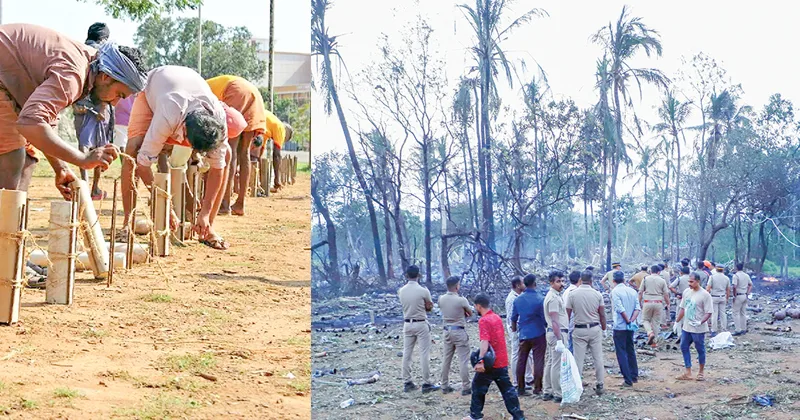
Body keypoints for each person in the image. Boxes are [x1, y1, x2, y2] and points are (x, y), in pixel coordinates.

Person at [0, 23, 146, 197]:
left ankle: (11, 219)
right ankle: (5, 221)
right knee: (14, 156)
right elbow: (30, 123)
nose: (114, 103)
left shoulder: (89, 67)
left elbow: (43, 122)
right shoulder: (74, 75)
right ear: (106, 77)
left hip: (8, 84)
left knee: (28, 160)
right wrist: (82, 159)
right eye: (119, 94)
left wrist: (60, 168)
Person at [120, 65, 242, 250]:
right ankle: (127, 223)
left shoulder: (219, 120)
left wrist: (205, 212)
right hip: (154, 88)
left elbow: (218, 169)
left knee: (226, 156)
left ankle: (207, 226)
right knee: (133, 150)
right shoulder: (168, 114)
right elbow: (143, 165)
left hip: (186, 90)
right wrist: (166, 205)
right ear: (184, 131)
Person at [206, 75, 270, 216]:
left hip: (237, 92)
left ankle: (224, 203)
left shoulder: (198, 90)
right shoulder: (206, 84)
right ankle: (240, 203)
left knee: (230, 149)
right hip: (254, 94)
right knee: (244, 151)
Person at [465, 293, 525, 420]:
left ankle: (475, 416)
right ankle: (518, 416)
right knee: (507, 390)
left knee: (478, 387)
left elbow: (484, 342)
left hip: (490, 362)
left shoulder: (483, 320)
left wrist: (480, 360)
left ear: (478, 306)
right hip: (502, 360)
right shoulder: (497, 317)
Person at [73, 23, 115, 200]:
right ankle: (95, 188)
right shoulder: (105, 53)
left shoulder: (79, 51)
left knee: (84, 146)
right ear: (104, 38)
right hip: (99, 107)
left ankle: (84, 185)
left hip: (80, 104)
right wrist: (104, 107)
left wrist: (75, 103)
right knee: (100, 147)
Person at [398, 265, 438, 393]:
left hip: (407, 324)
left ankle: (407, 382)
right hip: (420, 323)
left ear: (406, 275)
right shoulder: (423, 291)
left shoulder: (401, 291)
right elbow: (429, 307)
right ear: (418, 275)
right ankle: (426, 383)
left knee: (407, 354)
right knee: (424, 353)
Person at [565, 270, 606, 396]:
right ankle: (600, 384)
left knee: (579, 359)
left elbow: (567, 314)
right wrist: (603, 327)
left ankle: (577, 387)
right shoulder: (597, 294)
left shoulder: (572, 294)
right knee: (598, 358)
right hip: (594, 328)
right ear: (592, 280)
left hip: (579, 329)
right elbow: (602, 314)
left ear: (580, 280)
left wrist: (567, 329)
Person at [510, 274, 546, 396]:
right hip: (538, 333)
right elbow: (544, 317)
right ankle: (537, 388)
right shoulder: (540, 299)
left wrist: (515, 331)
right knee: (538, 360)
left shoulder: (518, 299)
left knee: (521, 360)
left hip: (523, 334)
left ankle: (520, 387)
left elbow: (513, 318)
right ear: (535, 283)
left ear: (524, 284)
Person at [438, 276, 473, 395]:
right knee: (463, 359)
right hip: (459, 331)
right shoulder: (461, 300)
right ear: (457, 286)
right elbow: (470, 313)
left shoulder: (441, 299)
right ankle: (466, 386)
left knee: (446, 359)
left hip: (446, 331)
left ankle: (444, 384)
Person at [675, 272, 713, 381]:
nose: (689, 284)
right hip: (687, 326)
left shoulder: (705, 295)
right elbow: (683, 308)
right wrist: (677, 321)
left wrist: (701, 322)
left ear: (698, 281)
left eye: (692, 282)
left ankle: (701, 372)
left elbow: (709, 312)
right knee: (683, 346)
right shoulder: (687, 292)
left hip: (698, 328)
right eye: (688, 281)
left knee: (700, 348)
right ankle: (688, 371)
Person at [542, 270, 568, 403]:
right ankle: (557, 393)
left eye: (563, 281)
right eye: (558, 281)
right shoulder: (553, 298)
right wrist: (559, 340)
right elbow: (554, 320)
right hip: (557, 332)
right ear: (551, 282)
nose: (561, 284)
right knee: (556, 364)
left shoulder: (556, 295)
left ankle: (547, 390)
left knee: (551, 362)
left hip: (554, 332)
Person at [610, 270, 640, 387]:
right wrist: (632, 320)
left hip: (620, 326)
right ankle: (634, 375)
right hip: (630, 325)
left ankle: (627, 379)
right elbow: (637, 308)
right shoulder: (632, 291)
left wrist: (627, 320)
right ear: (624, 280)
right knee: (630, 349)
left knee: (621, 351)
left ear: (613, 281)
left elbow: (619, 308)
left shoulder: (615, 292)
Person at [505, 276, 533, 389]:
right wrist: (515, 331)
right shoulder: (512, 299)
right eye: (522, 283)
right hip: (516, 329)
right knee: (516, 353)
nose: (524, 285)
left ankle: (528, 377)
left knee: (527, 353)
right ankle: (516, 381)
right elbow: (513, 318)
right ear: (517, 285)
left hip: (522, 328)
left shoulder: (519, 296)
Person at [638, 264, 669, 348]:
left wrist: (639, 302)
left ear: (650, 271)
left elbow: (640, 292)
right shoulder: (662, 280)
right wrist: (667, 303)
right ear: (659, 272)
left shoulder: (645, 279)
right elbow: (666, 294)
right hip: (658, 302)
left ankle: (649, 333)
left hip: (647, 302)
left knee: (645, 320)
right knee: (656, 322)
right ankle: (654, 342)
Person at [706, 264, 730, 336]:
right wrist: (727, 298)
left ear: (716, 269)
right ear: (723, 270)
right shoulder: (726, 278)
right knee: (723, 314)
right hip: (723, 296)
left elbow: (708, 288)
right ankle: (724, 329)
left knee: (714, 314)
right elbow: (728, 290)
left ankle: (714, 330)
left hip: (714, 297)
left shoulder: (712, 277)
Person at [731, 262, 753, 336]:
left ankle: (737, 330)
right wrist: (747, 293)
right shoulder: (746, 275)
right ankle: (744, 329)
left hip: (738, 295)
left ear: (736, 268)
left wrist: (734, 295)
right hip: (744, 295)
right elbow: (750, 285)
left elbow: (734, 286)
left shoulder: (735, 276)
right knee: (743, 313)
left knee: (735, 313)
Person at [670, 266, 691, 338]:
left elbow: (671, 286)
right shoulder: (692, 279)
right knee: (689, 315)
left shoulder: (679, 279)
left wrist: (677, 293)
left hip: (681, 298)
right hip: (691, 299)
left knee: (679, 315)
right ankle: (687, 332)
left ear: (681, 272)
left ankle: (679, 333)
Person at [562, 270, 580, 353]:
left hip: (567, 323)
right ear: (580, 279)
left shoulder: (566, 291)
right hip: (573, 323)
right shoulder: (575, 292)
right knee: (573, 349)